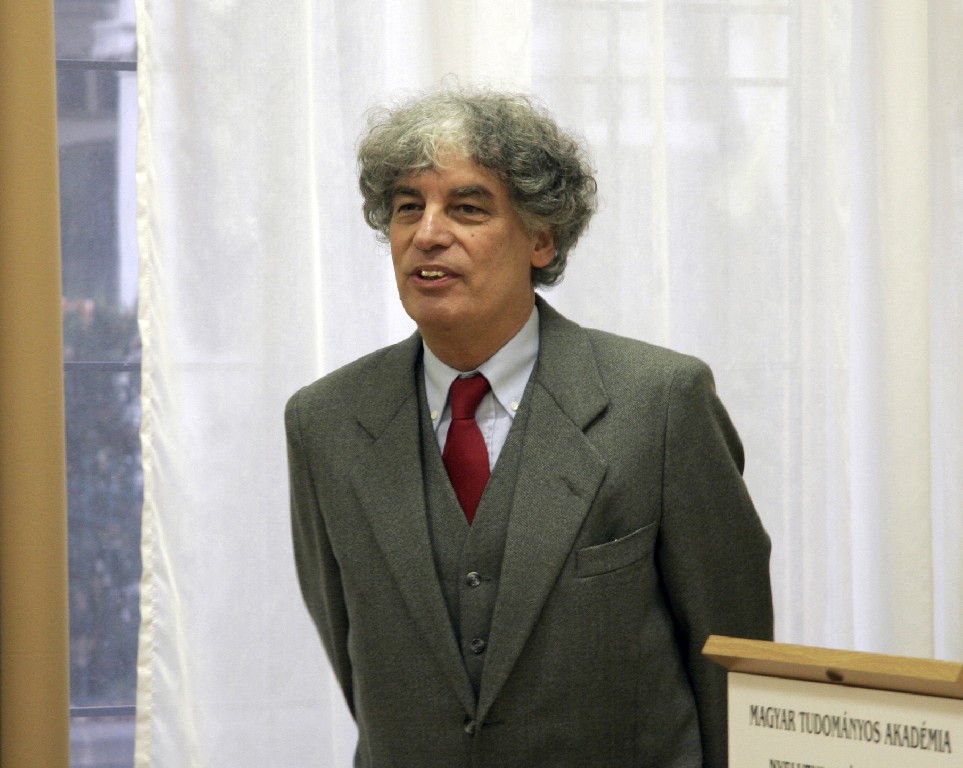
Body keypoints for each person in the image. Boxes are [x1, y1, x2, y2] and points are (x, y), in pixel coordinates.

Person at [285, 88, 773, 768]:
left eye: (466, 208)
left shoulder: (660, 404)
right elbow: (352, 657)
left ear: (541, 239)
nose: (427, 233)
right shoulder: (325, 423)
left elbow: (735, 665)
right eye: (407, 207)